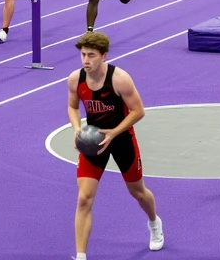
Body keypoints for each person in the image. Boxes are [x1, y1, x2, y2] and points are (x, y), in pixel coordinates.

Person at [67, 32, 165, 257]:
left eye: (91, 55)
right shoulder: (75, 79)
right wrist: (76, 129)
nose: (86, 60)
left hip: (122, 140)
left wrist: (114, 132)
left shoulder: (119, 79)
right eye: (83, 55)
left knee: (138, 193)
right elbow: (72, 107)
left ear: (104, 56)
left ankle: (153, 222)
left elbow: (138, 111)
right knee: (84, 198)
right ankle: (81, 256)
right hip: (94, 142)